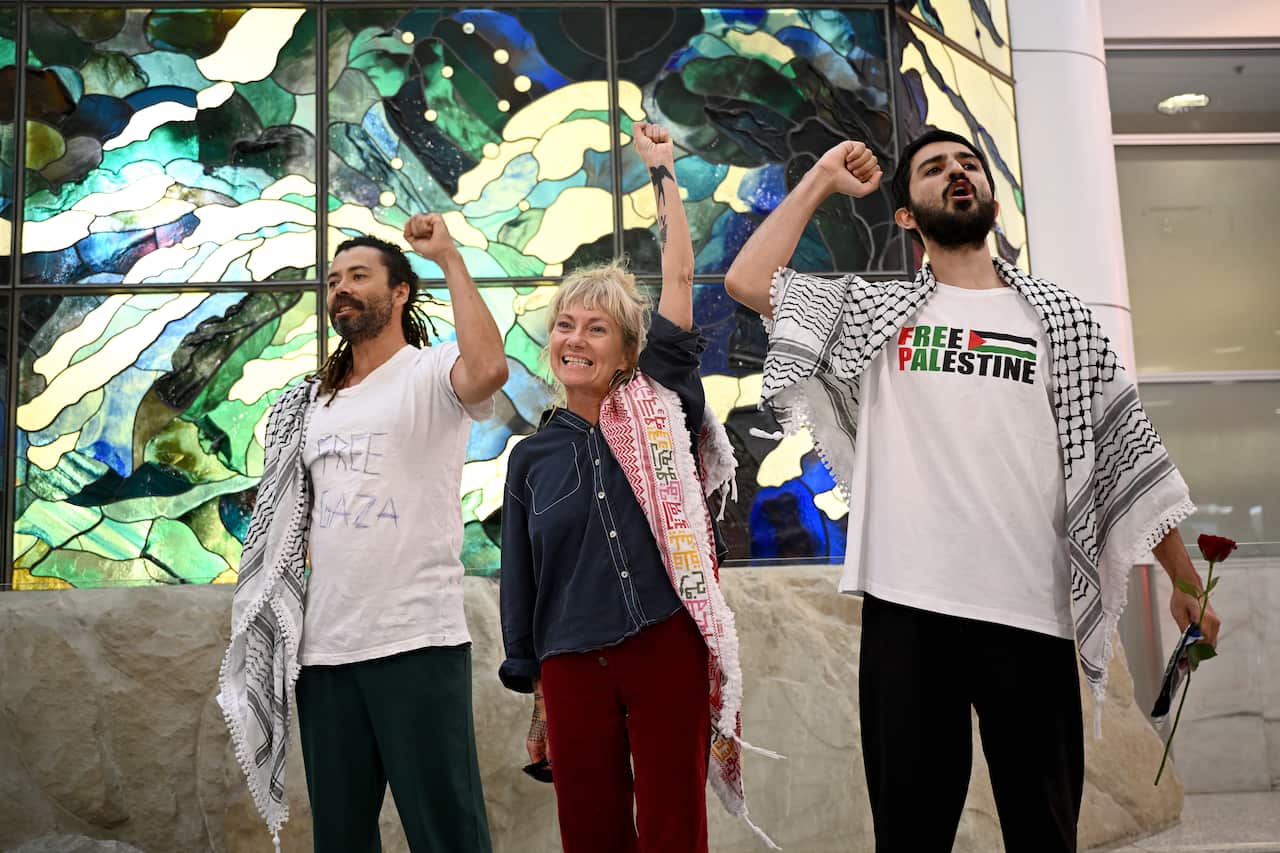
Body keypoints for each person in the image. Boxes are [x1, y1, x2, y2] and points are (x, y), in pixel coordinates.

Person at [724, 128, 1222, 853]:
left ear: (989, 198)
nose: (957, 173)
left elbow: (1127, 452)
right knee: (911, 834)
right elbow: (747, 280)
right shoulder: (874, 312)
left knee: (1044, 831)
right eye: (933, 168)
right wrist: (824, 177)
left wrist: (1183, 577)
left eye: (969, 164)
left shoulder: (1065, 321)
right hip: (907, 607)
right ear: (906, 214)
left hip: (1032, 610)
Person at [498, 121, 774, 853]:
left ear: (627, 349)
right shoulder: (532, 457)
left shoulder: (662, 401)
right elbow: (521, 578)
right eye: (565, 325)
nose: (576, 338)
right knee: (590, 833)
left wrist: (664, 174)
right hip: (570, 662)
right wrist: (528, 670)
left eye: (596, 327)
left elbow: (680, 279)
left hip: (663, 644)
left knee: (673, 825)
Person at [218, 215, 508, 852]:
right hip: (324, 652)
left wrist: (450, 259)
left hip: (416, 642)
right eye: (333, 280)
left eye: (358, 276)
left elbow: (489, 368)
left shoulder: (431, 373)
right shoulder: (311, 403)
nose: (341, 288)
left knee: (447, 832)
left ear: (400, 291)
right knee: (340, 839)